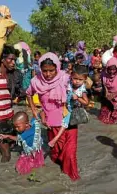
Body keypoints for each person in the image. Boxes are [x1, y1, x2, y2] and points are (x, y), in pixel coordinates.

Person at [26, 52, 80, 181]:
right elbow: (28, 94)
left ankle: (72, 178)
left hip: (69, 121)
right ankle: (61, 175)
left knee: (70, 151)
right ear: (40, 69)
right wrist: (34, 110)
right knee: (57, 152)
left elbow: (81, 84)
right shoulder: (36, 81)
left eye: (51, 70)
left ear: (57, 67)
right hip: (51, 123)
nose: (48, 74)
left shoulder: (65, 78)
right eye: (45, 71)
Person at [48, 65, 89, 148]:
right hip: (64, 105)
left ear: (84, 79)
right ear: (71, 77)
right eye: (75, 78)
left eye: (80, 79)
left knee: (65, 122)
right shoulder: (68, 83)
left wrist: (78, 98)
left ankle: (56, 138)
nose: (77, 81)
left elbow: (86, 102)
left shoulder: (82, 90)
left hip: (72, 109)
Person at [98, 57, 117, 124]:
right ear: (107, 69)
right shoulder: (104, 74)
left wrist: (114, 94)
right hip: (107, 99)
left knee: (115, 121)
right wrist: (106, 93)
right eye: (110, 70)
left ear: (116, 69)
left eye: (113, 69)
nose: (112, 72)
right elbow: (104, 85)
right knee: (103, 120)